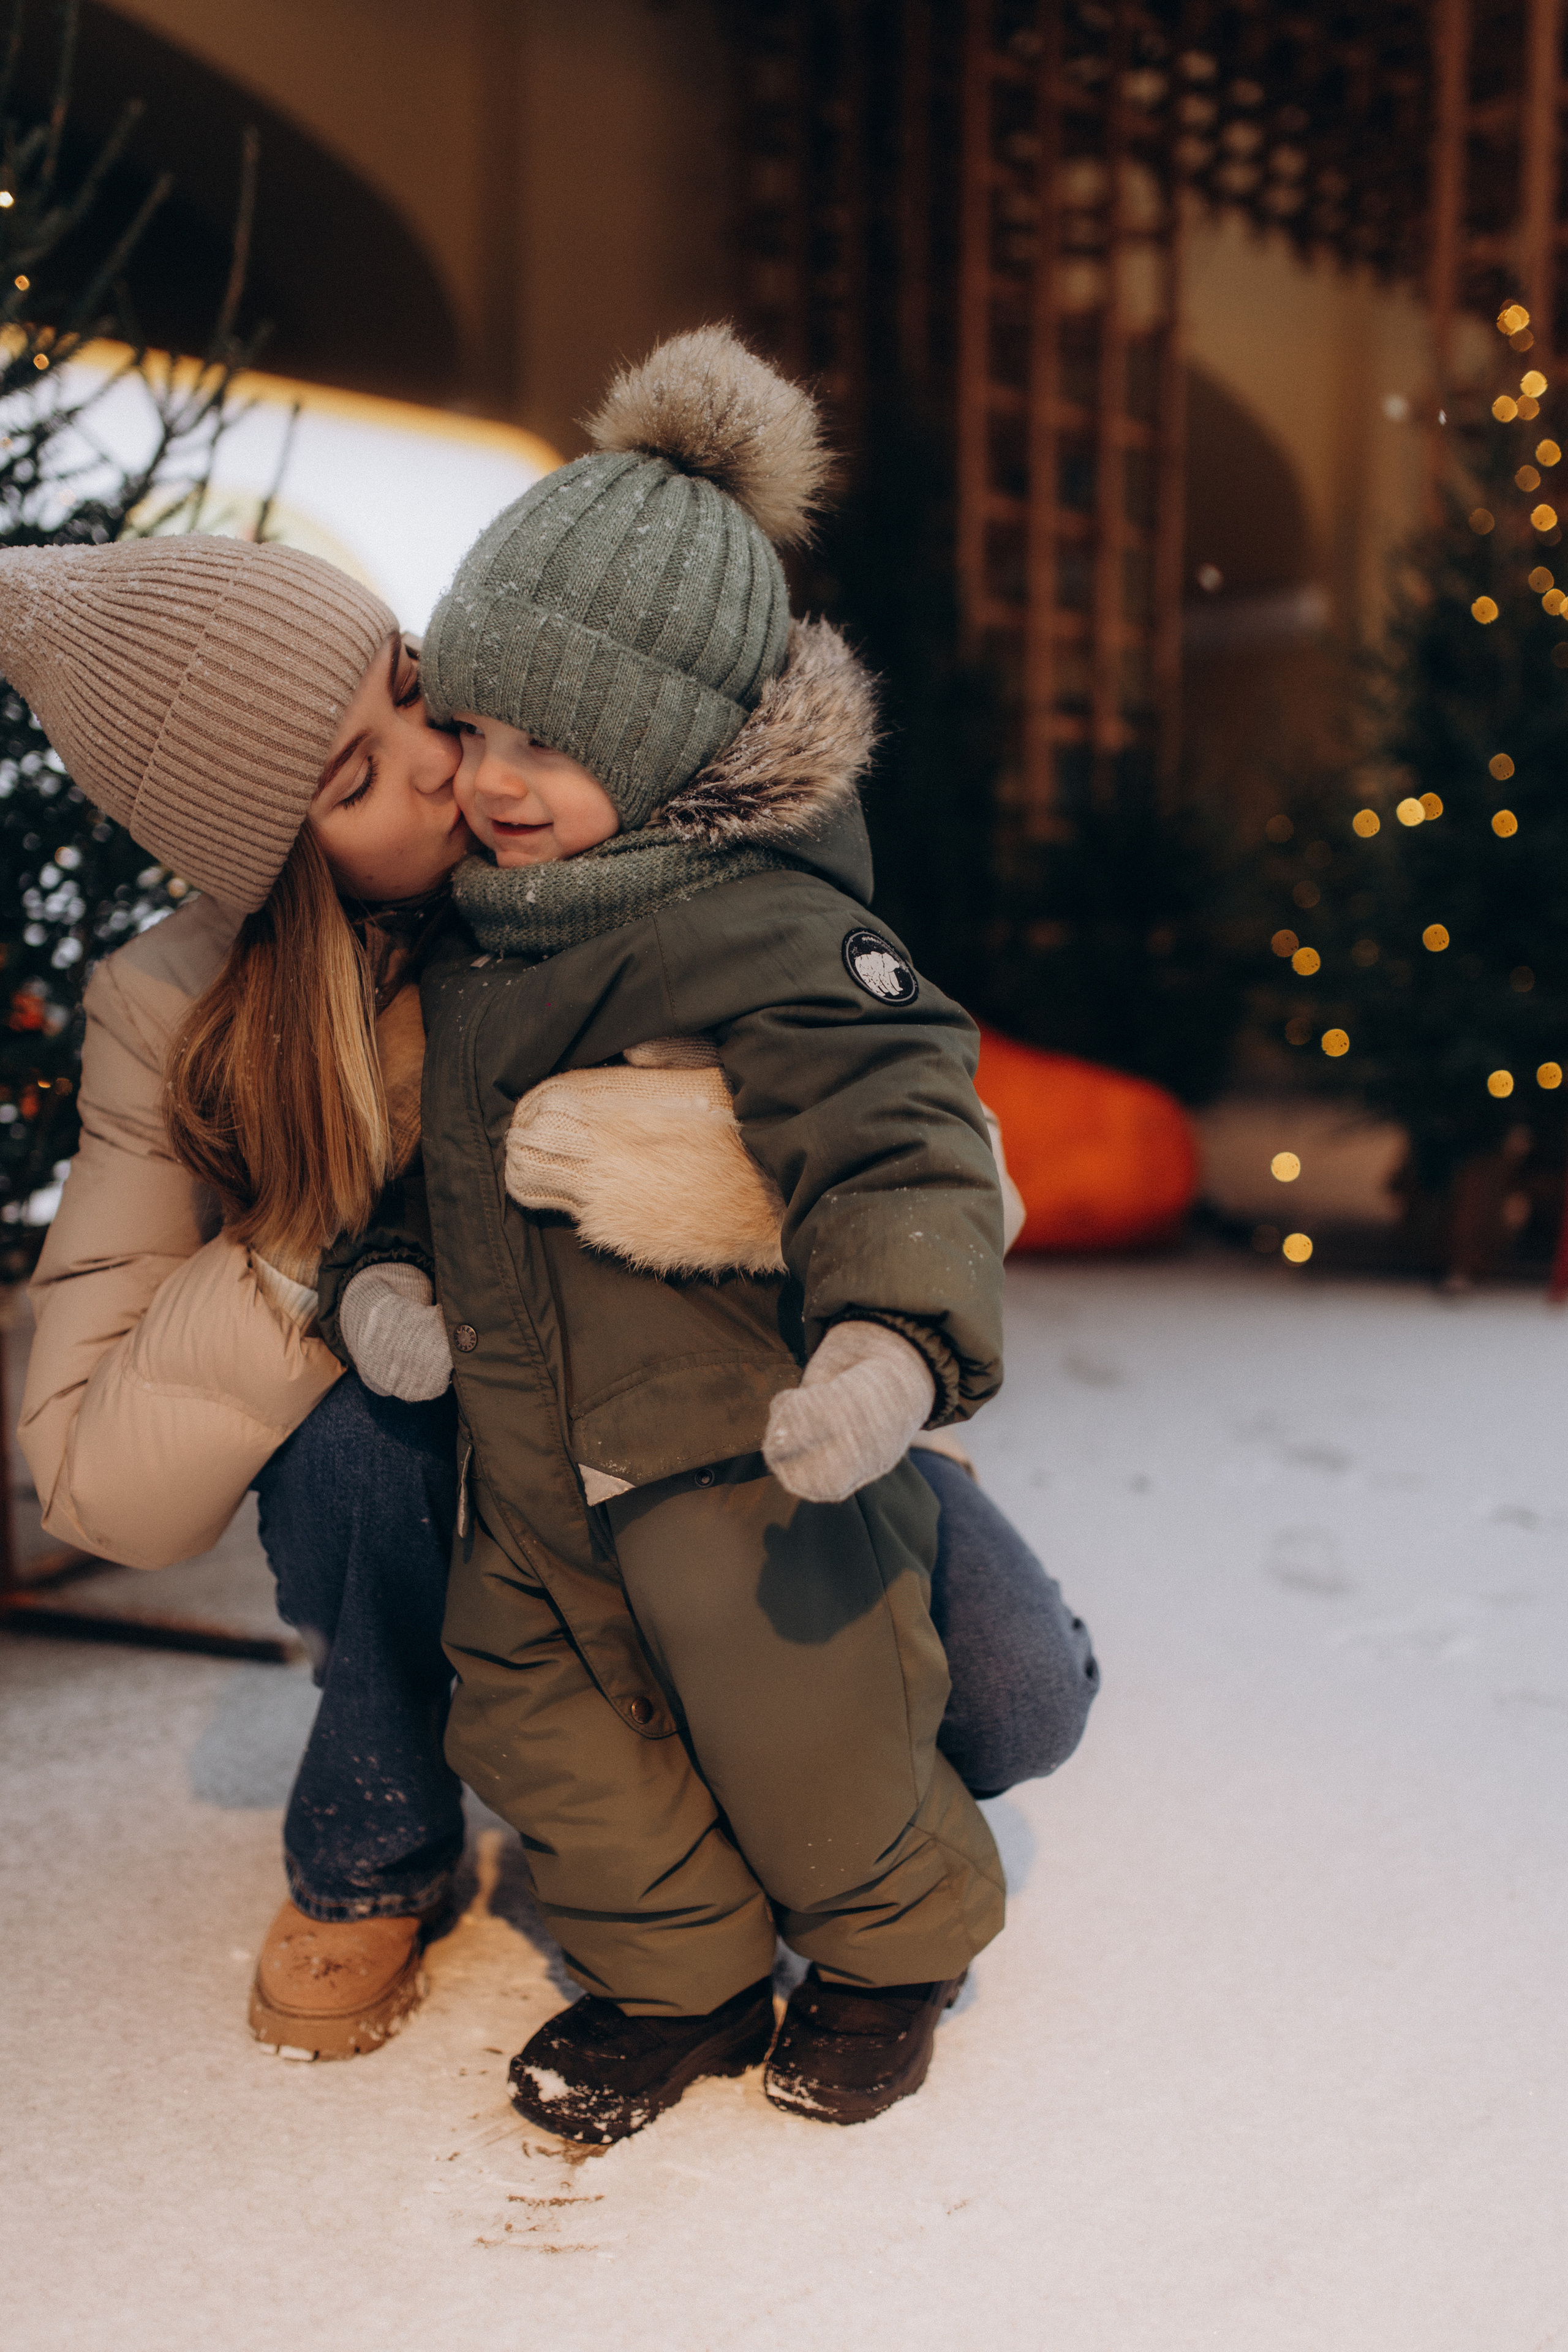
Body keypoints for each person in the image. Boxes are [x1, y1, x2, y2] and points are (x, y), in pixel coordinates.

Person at [2, 528, 1096, 2079]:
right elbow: (94, 1477)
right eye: (353, 779)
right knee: (359, 1430)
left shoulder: (613, 832)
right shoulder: (173, 1009)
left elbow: (940, 1150)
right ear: (273, 857)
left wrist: (646, 1169)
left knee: (1010, 1709)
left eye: (411, 692)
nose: (450, 771)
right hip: (467, 1439)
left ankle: (756, 1744)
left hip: (724, 1415)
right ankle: (381, 1816)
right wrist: (332, 1221)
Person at [320, 326, 1035, 2141]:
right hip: (528, 1473)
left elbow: (899, 1130)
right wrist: (384, 1279)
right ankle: (678, 1983)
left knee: (812, 1724)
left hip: (741, 1465)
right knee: (548, 1736)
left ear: (664, 739)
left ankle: (893, 1946)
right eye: (474, 724)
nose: (488, 777)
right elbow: (435, 1168)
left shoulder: (774, 931)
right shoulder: (491, 939)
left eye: (546, 740)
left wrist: (887, 1340)